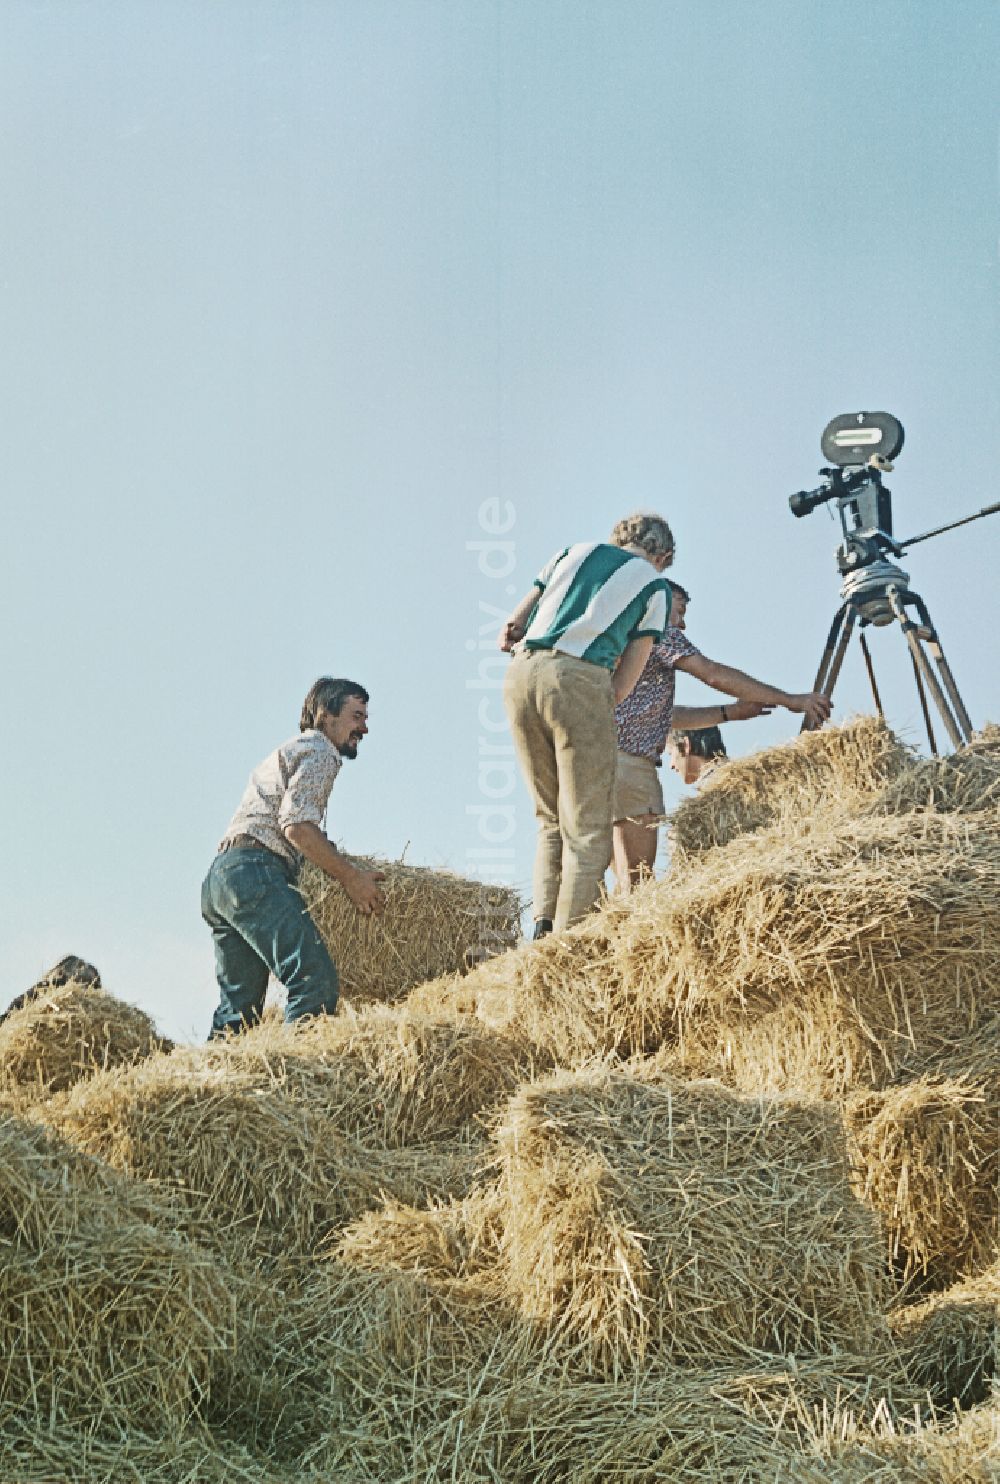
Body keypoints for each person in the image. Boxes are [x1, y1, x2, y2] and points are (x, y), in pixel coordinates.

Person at [499, 512, 674, 937]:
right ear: (662, 555)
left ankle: (542, 920)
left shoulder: (571, 552)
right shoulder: (654, 585)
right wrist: (597, 707)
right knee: (588, 826)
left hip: (521, 676)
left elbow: (512, 627)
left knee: (549, 817)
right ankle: (566, 939)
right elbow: (629, 674)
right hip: (580, 679)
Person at [611, 584, 831, 889]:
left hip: (592, 763)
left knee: (606, 879)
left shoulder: (616, 640)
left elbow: (664, 715)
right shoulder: (656, 629)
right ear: (659, 602)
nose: (682, 623)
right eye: (680, 611)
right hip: (629, 767)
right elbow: (711, 673)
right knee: (637, 886)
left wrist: (730, 713)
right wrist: (790, 699)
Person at [201, 677, 386, 1039]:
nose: (364, 727)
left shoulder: (290, 749)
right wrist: (351, 878)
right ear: (324, 715)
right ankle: (297, 1087)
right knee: (313, 980)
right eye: (356, 716)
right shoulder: (320, 750)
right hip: (256, 871)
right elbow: (298, 826)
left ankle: (212, 1088)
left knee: (237, 1012)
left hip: (221, 879)